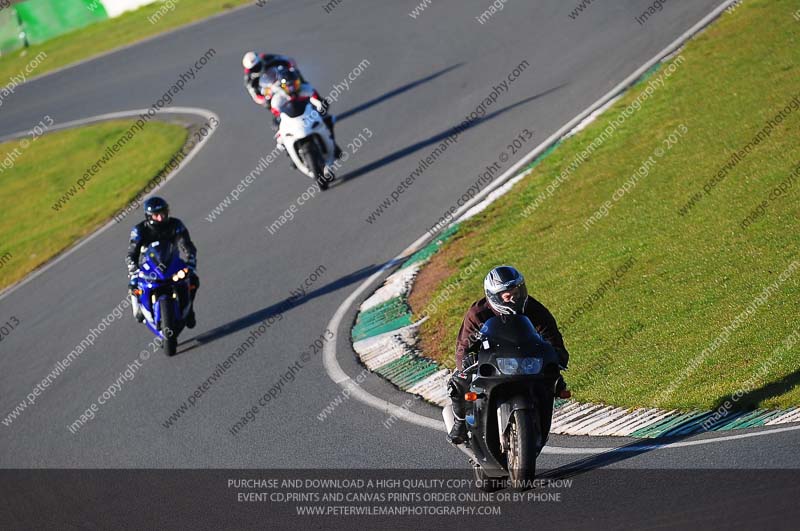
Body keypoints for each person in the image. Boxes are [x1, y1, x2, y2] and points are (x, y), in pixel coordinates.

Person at [447, 265, 570, 445]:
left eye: (517, 291)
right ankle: (460, 422)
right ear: (494, 296)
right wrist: (465, 360)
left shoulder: (534, 309)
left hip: (526, 361)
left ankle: (539, 419)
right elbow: (463, 347)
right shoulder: (478, 314)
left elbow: (552, 337)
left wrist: (557, 353)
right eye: (507, 295)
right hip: (490, 360)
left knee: (555, 381)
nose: (514, 298)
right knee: (458, 382)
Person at [126, 197, 199, 328]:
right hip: (148, 265)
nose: (161, 218)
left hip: (172, 261)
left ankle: (189, 310)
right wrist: (133, 270)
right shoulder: (139, 230)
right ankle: (139, 309)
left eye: (163, 213)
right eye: (156, 215)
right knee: (134, 285)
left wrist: (191, 261)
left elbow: (187, 245)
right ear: (149, 217)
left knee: (192, 279)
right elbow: (131, 253)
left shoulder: (176, 225)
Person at [260, 65, 341, 159]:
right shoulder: (278, 99)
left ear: (298, 82)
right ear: (283, 86)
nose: (292, 88)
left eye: (295, 84)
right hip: (292, 121)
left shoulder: (307, 89)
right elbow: (277, 114)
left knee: (328, 120)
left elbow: (319, 101)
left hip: (310, 116)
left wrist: (322, 106)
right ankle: (291, 156)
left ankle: (334, 146)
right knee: (280, 141)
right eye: (288, 86)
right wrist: (277, 122)